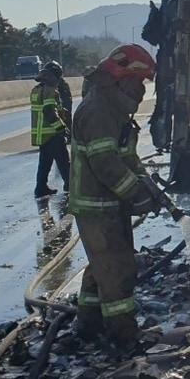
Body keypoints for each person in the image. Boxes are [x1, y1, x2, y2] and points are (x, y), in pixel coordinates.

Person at [68, 44, 164, 348]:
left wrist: (148, 187)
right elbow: (106, 164)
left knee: (102, 266)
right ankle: (124, 334)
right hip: (98, 206)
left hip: (108, 205)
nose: (140, 92)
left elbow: (127, 159)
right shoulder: (99, 111)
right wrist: (135, 194)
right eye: (138, 83)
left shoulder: (112, 109)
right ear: (121, 79)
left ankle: (88, 325)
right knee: (118, 269)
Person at [30, 60, 72, 198]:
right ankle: (70, 185)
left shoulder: (36, 90)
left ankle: (41, 187)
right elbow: (49, 111)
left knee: (45, 163)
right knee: (64, 161)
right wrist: (61, 128)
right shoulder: (50, 91)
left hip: (41, 135)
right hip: (52, 134)